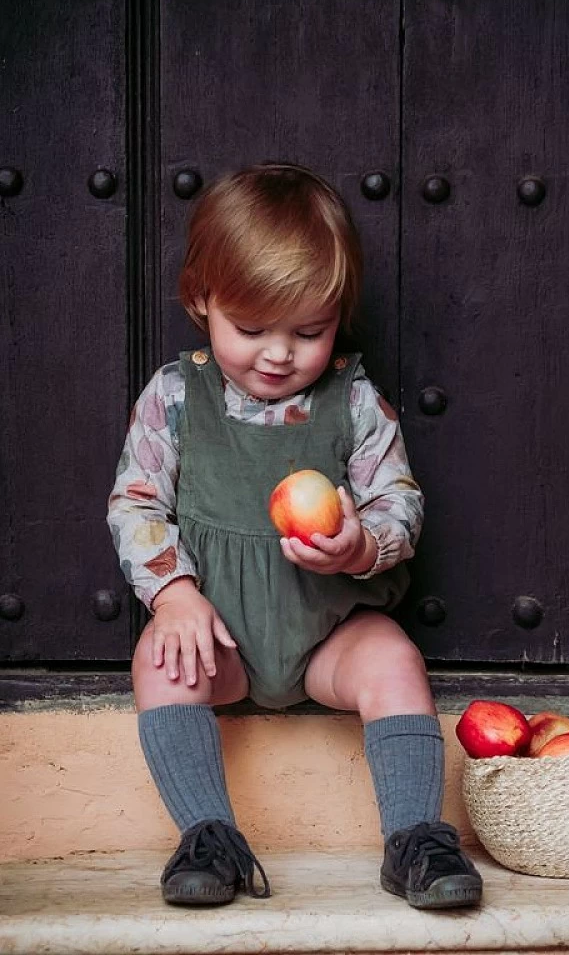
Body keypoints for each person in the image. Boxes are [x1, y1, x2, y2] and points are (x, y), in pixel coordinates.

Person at [107, 163, 482, 910]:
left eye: (308, 332)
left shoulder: (355, 402)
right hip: (225, 643)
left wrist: (358, 544)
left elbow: (399, 505)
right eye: (252, 330)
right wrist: (175, 597)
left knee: (394, 658)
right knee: (159, 658)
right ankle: (208, 836)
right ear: (201, 301)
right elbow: (135, 503)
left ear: (337, 316)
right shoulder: (177, 395)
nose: (279, 354)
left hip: (325, 636)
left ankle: (415, 837)